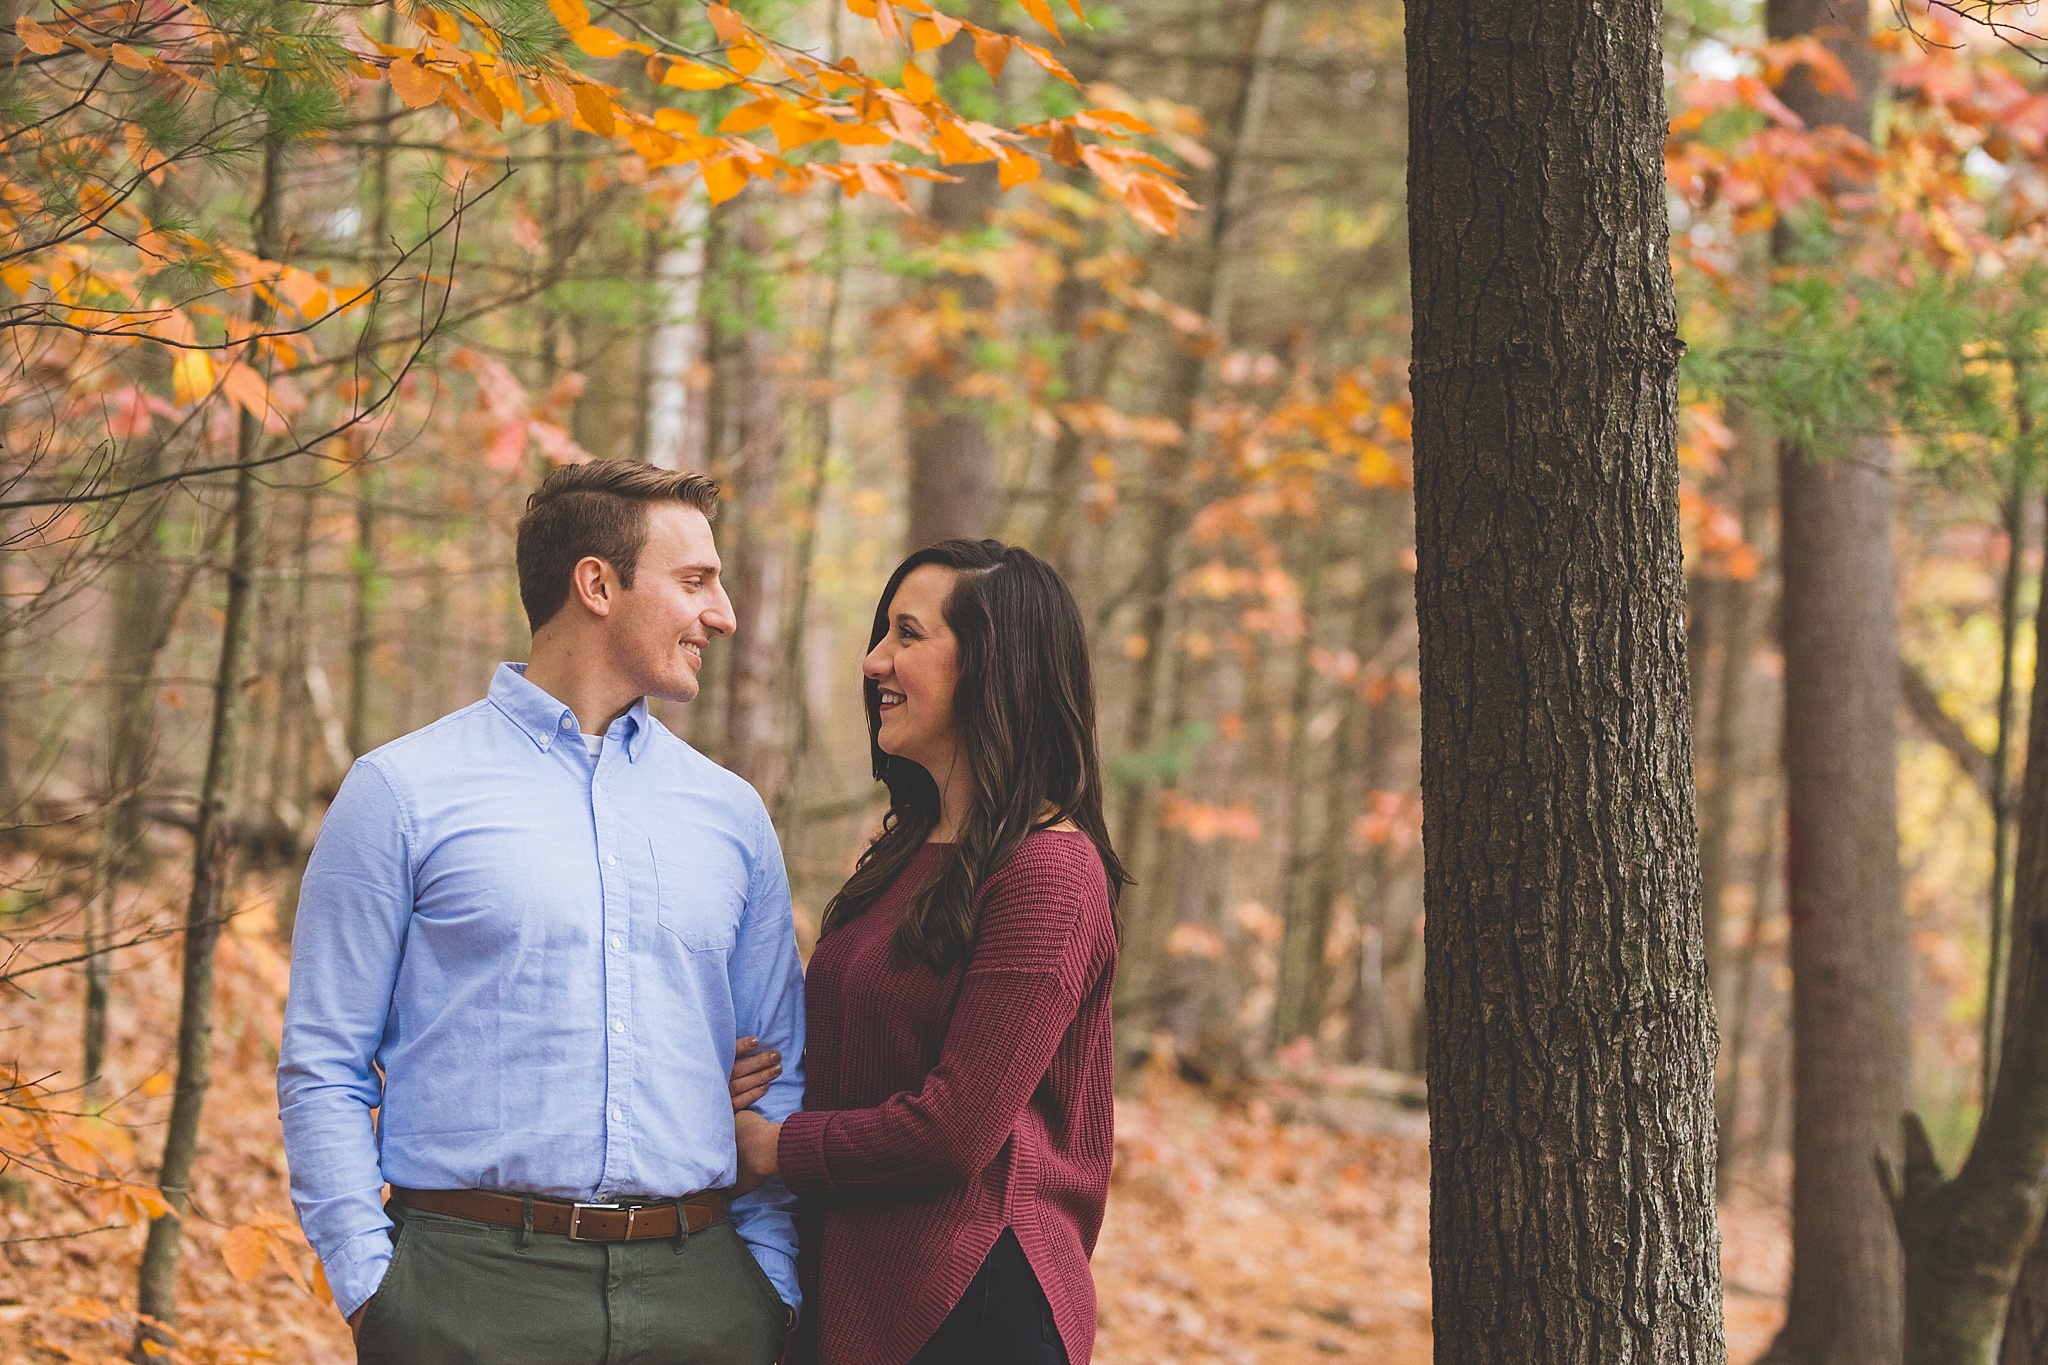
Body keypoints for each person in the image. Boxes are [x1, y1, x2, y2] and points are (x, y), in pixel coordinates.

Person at [278, 461, 804, 1365]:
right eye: (694, 582)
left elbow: (783, 1067)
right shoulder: (400, 792)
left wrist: (768, 1285)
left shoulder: (731, 815)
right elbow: (323, 1064)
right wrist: (377, 1293)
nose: (722, 614)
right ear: (596, 583)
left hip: (702, 1298)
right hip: (465, 1295)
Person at [733, 539, 1126, 1365]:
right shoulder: (908, 852)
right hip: (858, 1284)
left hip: (974, 1299)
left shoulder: (1049, 870)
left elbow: (956, 1128)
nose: (875, 659)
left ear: (994, 666)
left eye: (907, 634)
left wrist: (774, 1148)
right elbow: (854, 1047)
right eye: (883, 631)